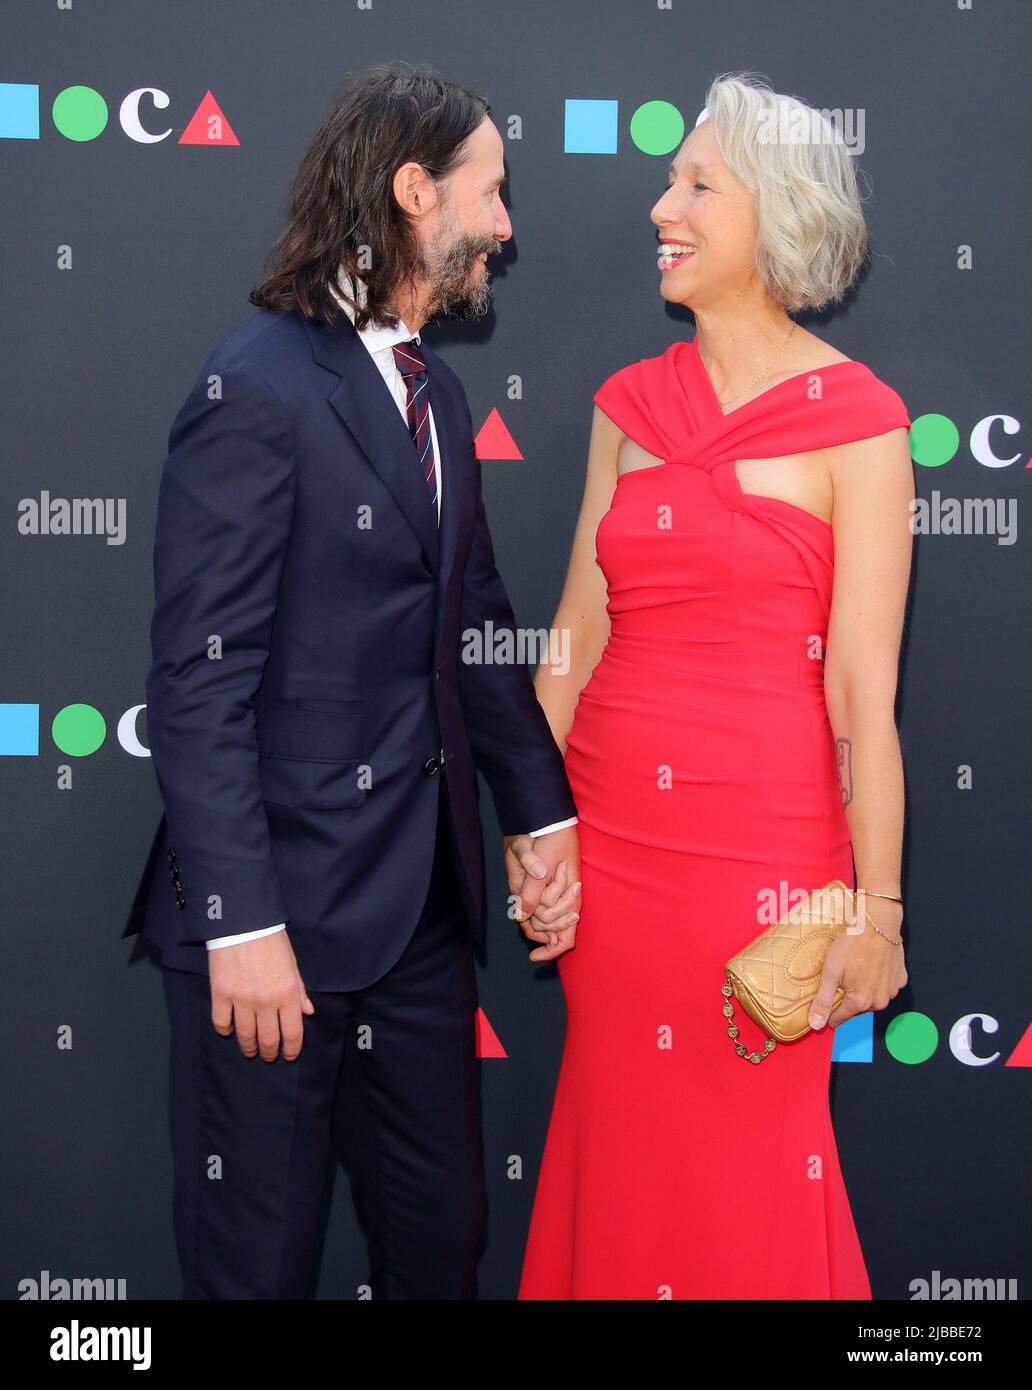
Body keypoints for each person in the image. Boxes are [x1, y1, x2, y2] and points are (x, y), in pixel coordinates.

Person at [124, 62, 581, 1300]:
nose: (506, 226)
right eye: (491, 194)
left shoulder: (440, 394)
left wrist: (540, 814)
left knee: (441, 1249)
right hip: (275, 930)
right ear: (413, 191)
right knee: (257, 1268)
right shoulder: (259, 385)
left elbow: (472, 628)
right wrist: (243, 924)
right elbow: (199, 682)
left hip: (419, 922)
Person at [517, 71, 913, 1300]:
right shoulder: (628, 404)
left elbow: (863, 693)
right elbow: (573, 639)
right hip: (612, 857)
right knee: (618, 1141)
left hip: (768, 870)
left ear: (777, 216)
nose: (660, 206)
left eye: (698, 185)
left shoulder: (861, 420)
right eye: (668, 179)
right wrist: (543, 837)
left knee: (756, 1164)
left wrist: (879, 909)